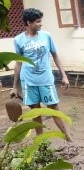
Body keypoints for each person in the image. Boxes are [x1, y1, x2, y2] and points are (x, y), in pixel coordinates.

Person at [10, 8, 72, 140]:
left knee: (54, 109)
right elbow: (18, 63)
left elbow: (55, 55)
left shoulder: (46, 36)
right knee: (35, 112)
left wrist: (64, 76)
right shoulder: (18, 40)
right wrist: (15, 87)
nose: (40, 24)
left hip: (46, 79)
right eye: (38, 22)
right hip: (28, 81)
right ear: (29, 23)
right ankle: (40, 141)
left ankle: (67, 137)